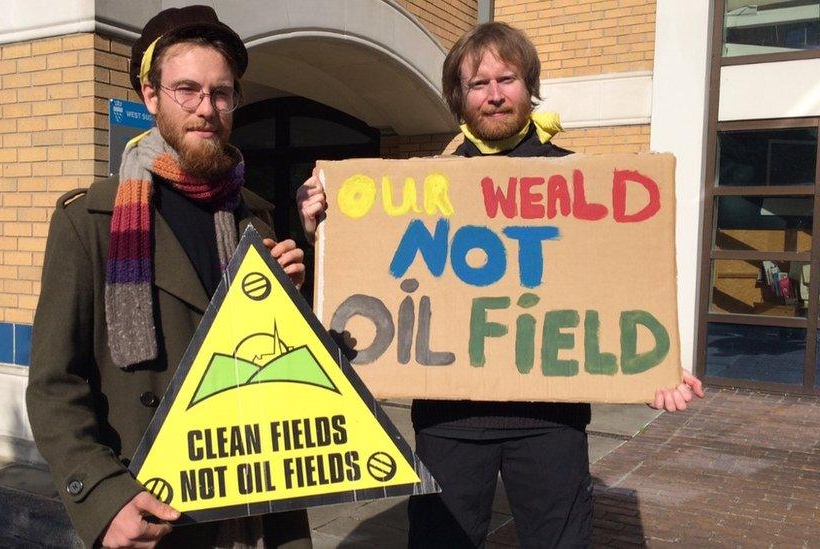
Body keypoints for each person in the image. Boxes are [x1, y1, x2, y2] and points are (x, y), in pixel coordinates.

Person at [296, 21, 704, 549]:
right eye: (477, 84)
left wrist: (653, 364)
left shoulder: (580, 181)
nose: (493, 95)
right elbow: (370, 269)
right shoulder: (417, 187)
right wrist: (326, 229)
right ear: (459, 98)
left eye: (506, 79)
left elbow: (616, 284)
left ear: (529, 86)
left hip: (550, 417)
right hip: (449, 419)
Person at [27, 6, 312, 548]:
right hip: (154, 510)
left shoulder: (257, 217)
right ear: (151, 97)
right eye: (187, 90)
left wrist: (289, 302)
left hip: (258, 500)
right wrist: (103, 498)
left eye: (221, 93)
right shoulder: (89, 222)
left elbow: (272, 363)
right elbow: (53, 385)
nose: (206, 109)